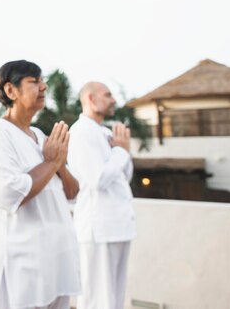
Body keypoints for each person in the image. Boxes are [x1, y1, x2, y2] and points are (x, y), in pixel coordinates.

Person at [0, 60, 81, 309]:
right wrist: (51, 163)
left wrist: (59, 164)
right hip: (21, 265)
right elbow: (7, 192)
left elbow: (72, 191)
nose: (43, 87)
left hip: (56, 260)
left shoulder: (40, 136)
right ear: (10, 91)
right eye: (34, 82)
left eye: (42, 80)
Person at [67, 82, 136, 309]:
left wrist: (123, 150)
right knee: (97, 298)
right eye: (107, 95)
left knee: (115, 298)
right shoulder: (80, 132)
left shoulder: (105, 132)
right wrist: (120, 151)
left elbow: (124, 176)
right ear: (90, 98)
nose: (113, 100)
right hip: (98, 228)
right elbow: (98, 179)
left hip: (119, 225)